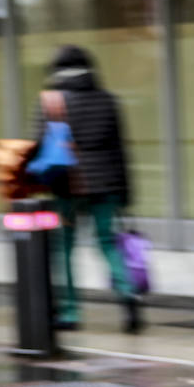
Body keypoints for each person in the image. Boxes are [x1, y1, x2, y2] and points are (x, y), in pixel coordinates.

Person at [31, 44, 140, 334]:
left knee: (65, 248)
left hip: (67, 186)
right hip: (107, 185)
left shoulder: (51, 102)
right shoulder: (107, 100)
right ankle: (128, 296)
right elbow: (120, 150)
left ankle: (69, 312)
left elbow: (39, 147)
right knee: (107, 243)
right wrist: (126, 192)